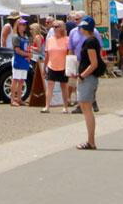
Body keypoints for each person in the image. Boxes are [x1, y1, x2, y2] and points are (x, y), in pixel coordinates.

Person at [74, 16, 104, 150]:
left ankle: (91, 141)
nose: (79, 29)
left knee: (87, 109)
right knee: (86, 109)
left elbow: (94, 63)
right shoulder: (91, 40)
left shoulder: (90, 42)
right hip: (88, 77)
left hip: (88, 78)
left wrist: (82, 75)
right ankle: (90, 140)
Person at [42, 21, 69, 113]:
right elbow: (47, 54)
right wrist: (44, 67)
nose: (54, 28)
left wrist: (69, 68)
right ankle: (47, 106)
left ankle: (65, 107)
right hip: (51, 65)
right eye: (53, 27)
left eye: (56, 26)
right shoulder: (50, 40)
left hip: (63, 66)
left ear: (62, 27)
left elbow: (69, 54)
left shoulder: (67, 39)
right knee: (50, 86)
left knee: (64, 86)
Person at [10, 17, 32, 106]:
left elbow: (28, 48)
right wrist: (27, 55)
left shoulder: (26, 37)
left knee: (22, 81)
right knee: (15, 80)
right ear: (17, 26)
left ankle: (19, 99)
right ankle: (12, 100)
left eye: (25, 24)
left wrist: (29, 55)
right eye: (22, 24)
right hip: (18, 60)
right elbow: (17, 50)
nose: (24, 26)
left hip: (25, 61)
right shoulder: (16, 37)